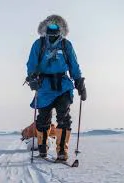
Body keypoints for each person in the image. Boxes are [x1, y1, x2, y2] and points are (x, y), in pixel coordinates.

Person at [25, 15, 87, 161]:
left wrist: (79, 83)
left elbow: (74, 65)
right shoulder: (38, 44)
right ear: (45, 28)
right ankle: (42, 147)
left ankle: (61, 151)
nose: (52, 29)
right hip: (44, 87)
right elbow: (31, 63)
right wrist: (32, 77)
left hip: (63, 86)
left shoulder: (66, 45)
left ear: (61, 29)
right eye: (50, 26)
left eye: (56, 27)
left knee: (64, 117)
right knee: (43, 119)